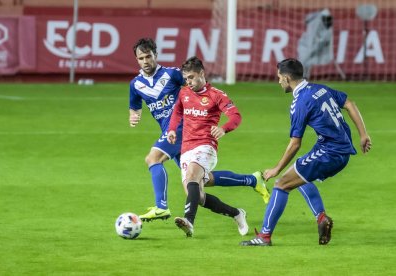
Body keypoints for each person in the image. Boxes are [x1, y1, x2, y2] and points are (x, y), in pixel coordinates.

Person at [129, 38, 270, 222]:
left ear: (156, 55)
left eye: (148, 56)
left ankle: (161, 207)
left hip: (183, 129)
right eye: (141, 58)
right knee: (198, 189)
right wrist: (134, 115)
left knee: (153, 158)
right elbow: (135, 106)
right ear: (137, 60)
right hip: (172, 133)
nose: (145, 61)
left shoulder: (172, 74)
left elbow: (196, 85)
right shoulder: (135, 84)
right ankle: (251, 182)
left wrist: (205, 108)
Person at [240, 58, 372, 246]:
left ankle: (264, 236)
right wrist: (363, 134)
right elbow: (350, 103)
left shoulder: (300, 103)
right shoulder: (321, 89)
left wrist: (276, 168)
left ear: (286, 78)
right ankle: (321, 218)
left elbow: (295, 143)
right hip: (337, 148)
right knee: (298, 174)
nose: (278, 81)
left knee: (281, 184)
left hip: (330, 152)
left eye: (279, 78)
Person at [167, 56, 249, 237]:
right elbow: (177, 111)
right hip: (186, 149)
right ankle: (237, 213)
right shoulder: (184, 93)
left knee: (192, 177)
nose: (188, 82)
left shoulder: (216, 95)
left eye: (191, 77)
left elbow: (236, 116)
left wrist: (224, 129)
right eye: (186, 78)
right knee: (199, 197)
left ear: (202, 74)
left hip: (206, 146)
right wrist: (172, 129)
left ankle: (189, 221)